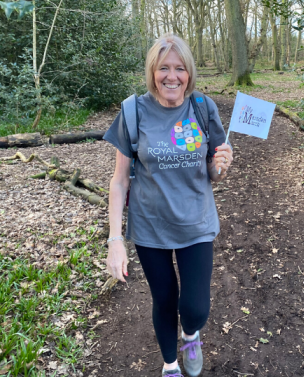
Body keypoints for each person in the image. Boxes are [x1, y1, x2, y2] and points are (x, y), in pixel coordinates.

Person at [104, 33, 233, 377]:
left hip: (195, 223)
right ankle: (170, 364)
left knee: (195, 307)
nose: (171, 76)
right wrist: (115, 241)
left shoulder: (203, 109)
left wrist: (220, 166)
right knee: (163, 300)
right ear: (153, 71)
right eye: (164, 68)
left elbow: (213, 172)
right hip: (150, 227)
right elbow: (119, 181)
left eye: (179, 68)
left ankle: (190, 335)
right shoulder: (133, 111)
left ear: (189, 73)